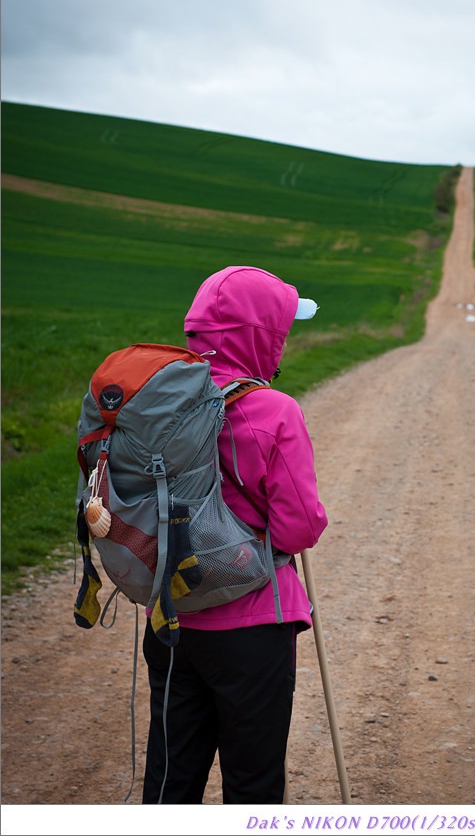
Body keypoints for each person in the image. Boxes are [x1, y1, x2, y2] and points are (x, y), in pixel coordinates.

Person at [142, 265, 328, 805]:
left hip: (169, 616)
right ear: (259, 334)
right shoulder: (273, 410)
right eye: (280, 329)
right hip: (254, 626)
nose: (284, 341)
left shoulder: (155, 402)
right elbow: (300, 527)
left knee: (172, 780)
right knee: (253, 784)